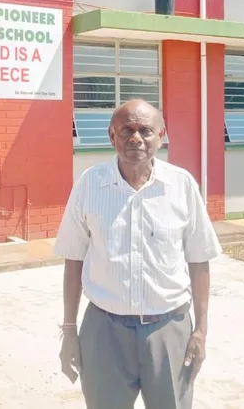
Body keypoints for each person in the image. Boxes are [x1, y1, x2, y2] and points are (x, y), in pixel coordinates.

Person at [54, 99, 222, 409]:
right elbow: (73, 260)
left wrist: (201, 330)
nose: (136, 139)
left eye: (145, 130)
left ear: (161, 135)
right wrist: (69, 331)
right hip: (104, 332)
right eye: (126, 130)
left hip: (169, 329)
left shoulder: (181, 185)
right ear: (111, 135)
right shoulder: (90, 184)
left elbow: (199, 259)